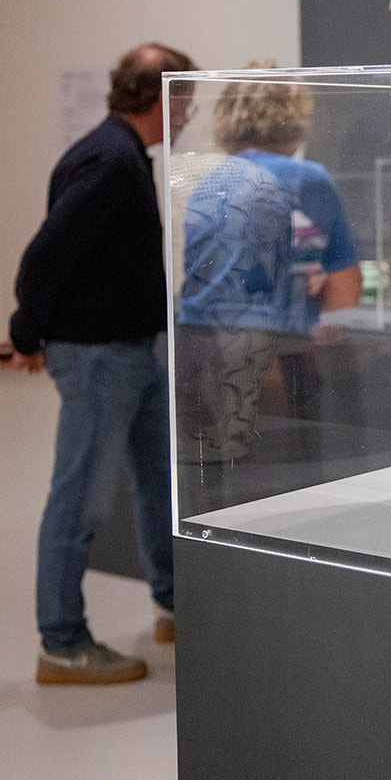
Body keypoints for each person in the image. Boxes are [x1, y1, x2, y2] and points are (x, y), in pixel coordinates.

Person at [4, 42, 194, 684]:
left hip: (130, 351)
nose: (187, 113)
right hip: (101, 358)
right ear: (161, 96)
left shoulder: (119, 154)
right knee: (80, 498)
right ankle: (62, 644)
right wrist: (27, 334)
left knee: (158, 481)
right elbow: (44, 257)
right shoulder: (111, 161)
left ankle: (174, 605)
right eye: (185, 98)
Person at [175, 66, 360, 460]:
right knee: (282, 473)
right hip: (276, 357)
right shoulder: (309, 179)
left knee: (218, 475)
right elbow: (345, 291)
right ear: (297, 118)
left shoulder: (208, 180)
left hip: (196, 349)